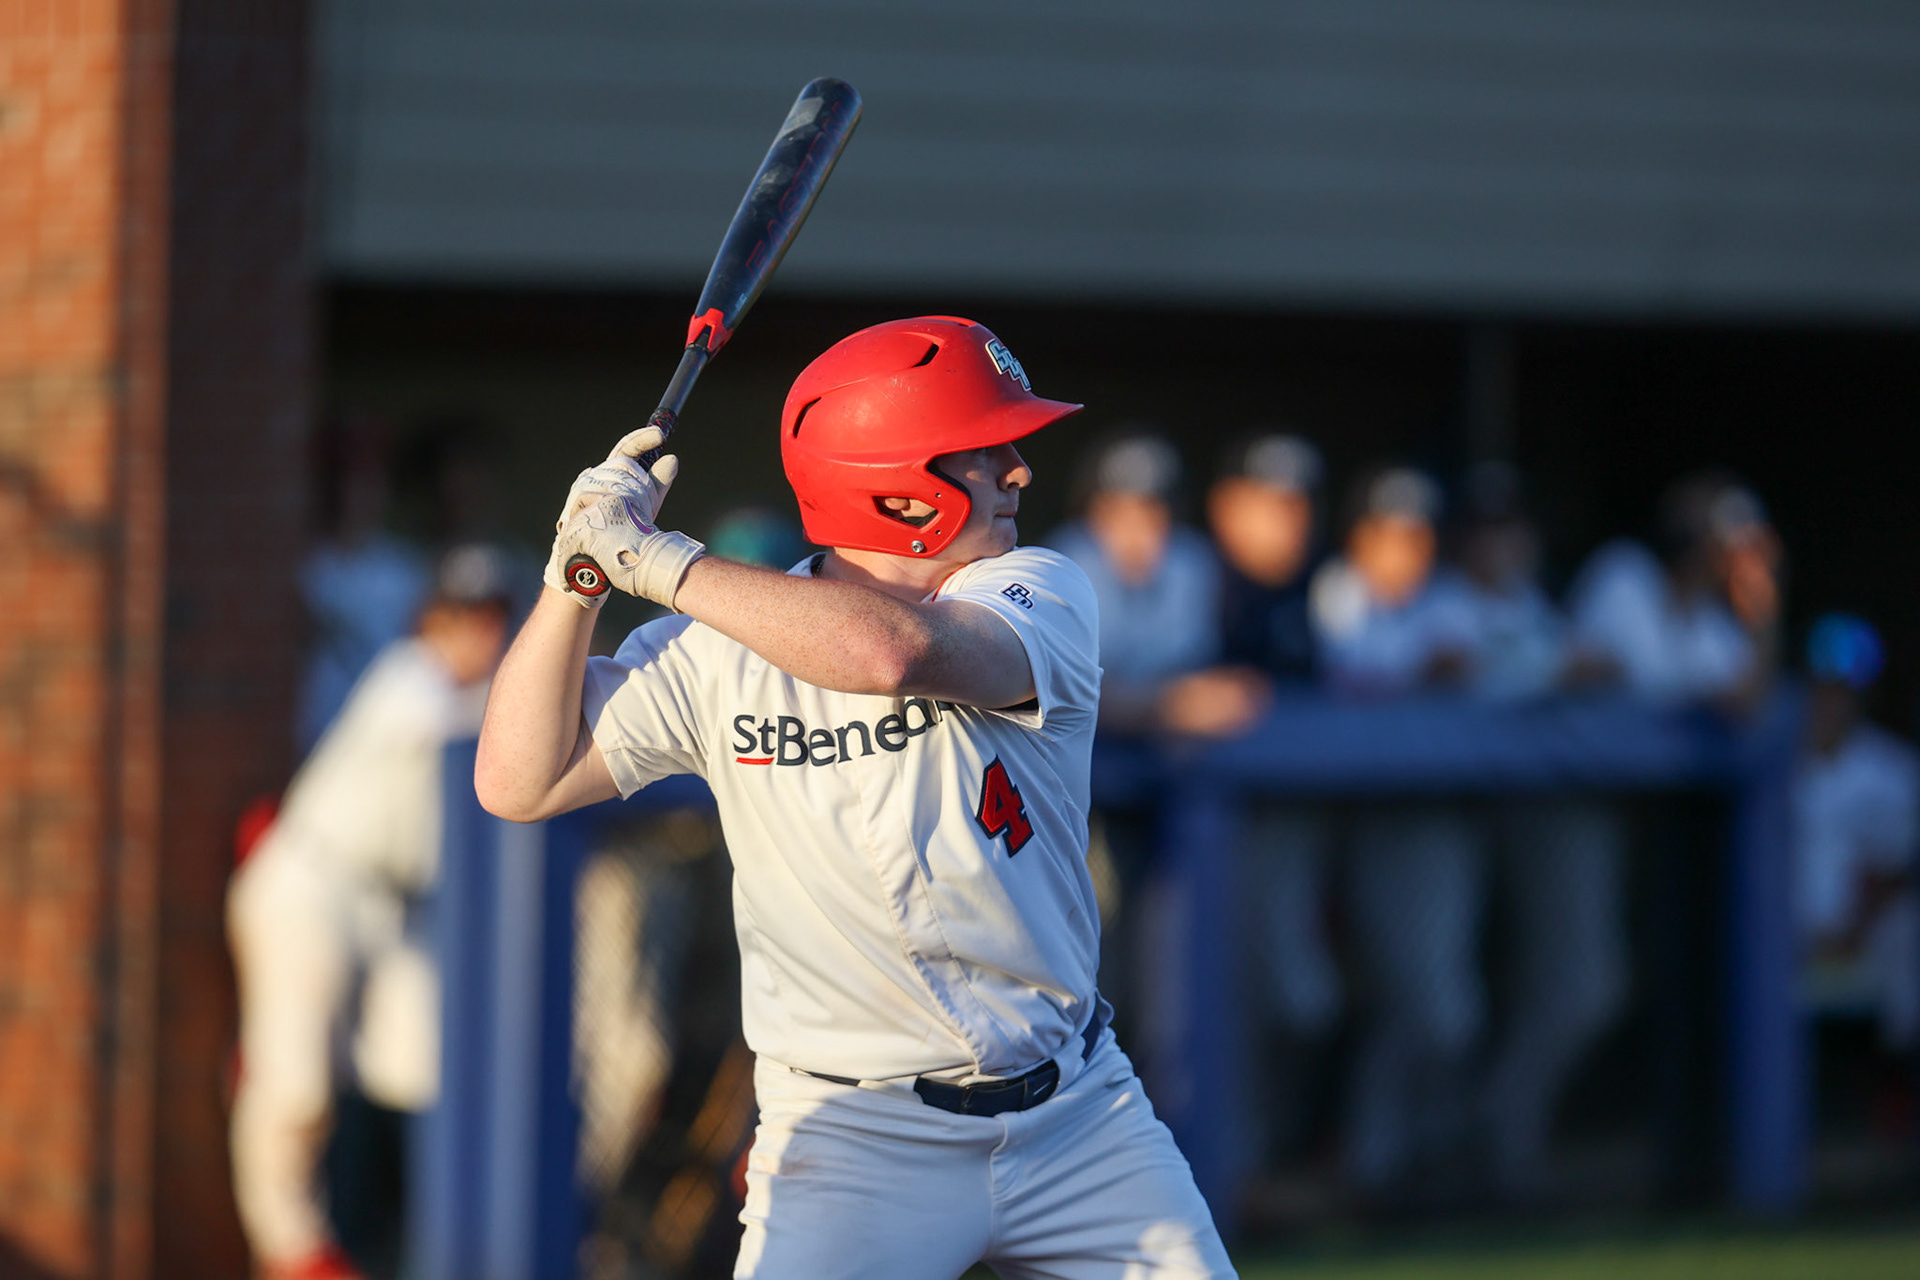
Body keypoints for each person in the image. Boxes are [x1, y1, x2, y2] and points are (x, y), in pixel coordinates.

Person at [475, 317, 1234, 1279]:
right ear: (900, 491)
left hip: (1077, 1117)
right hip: (853, 1140)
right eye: (985, 449)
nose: (1019, 471)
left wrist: (659, 562)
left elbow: (890, 654)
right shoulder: (714, 654)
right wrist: (575, 580)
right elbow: (517, 779)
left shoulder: (1040, 588)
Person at [228, 547, 514, 1280]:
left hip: (389, 907)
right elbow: (465, 725)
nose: (475, 634)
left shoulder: (477, 691)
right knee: (296, 1088)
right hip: (312, 883)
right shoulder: (410, 678)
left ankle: (422, 1244)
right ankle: (292, 1251)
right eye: (460, 616)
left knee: (423, 1067)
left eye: (489, 618)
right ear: (431, 620)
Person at [1431, 463, 1628, 1197]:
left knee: (1583, 986)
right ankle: (1431, 1157)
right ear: (1461, 542)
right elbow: (1456, 671)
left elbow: (1604, 667)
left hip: (1537, 813)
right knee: (1444, 1003)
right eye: (1485, 530)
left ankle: (1498, 1134)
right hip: (1439, 813)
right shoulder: (1440, 604)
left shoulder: (1534, 606)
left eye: (1510, 527)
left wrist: (1564, 665)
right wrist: (1559, 669)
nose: (1501, 544)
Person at [1309, 465, 1484, 1196]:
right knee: (1344, 996)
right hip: (1338, 820)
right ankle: (1368, 1162)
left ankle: (1394, 1164)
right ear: (1362, 535)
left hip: (1433, 817)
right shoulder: (1333, 594)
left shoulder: (1448, 598)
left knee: (1438, 1007)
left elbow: (1478, 665)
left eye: (1417, 535)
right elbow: (1361, 685)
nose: (1403, 550)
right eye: (1388, 533)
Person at [1792, 614, 1920, 1051]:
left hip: (1858, 933)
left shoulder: (1893, 768)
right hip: (1785, 930)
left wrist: (1851, 933)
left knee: (1908, 928)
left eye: (1843, 689)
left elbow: (1894, 869)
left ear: (1864, 694)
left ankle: (1898, 1079)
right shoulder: (1771, 765)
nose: (1831, 701)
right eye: (1822, 687)